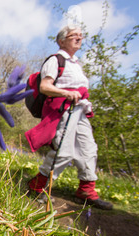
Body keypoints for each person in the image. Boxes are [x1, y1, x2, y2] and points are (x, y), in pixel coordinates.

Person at [25, 25, 113, 210]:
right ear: (61, 40)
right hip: (64, 109)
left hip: (80, 110)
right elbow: (45, 87)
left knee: (88, 149)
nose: (79, 38)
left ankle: (86, 190)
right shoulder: (55, 60)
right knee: (63, 151)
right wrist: (66, 93)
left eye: (81, 35)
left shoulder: (76, 64)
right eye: (74, 35)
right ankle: (38, 185)